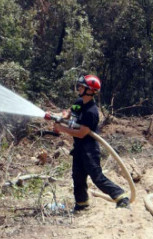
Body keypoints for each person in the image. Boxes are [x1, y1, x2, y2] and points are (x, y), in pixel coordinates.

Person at [53, 74, 130, 212]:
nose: (79, 88)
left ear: (90, 90)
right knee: (77, 176)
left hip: (89, 149)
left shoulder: (91, 112)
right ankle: (81, 204)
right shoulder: (79, 103)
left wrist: (62, 129)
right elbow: (70, 112)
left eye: (82, 86)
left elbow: (82, 133)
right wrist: (63, 116)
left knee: (97, 177)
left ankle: (121, 197)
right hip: (78, 147)